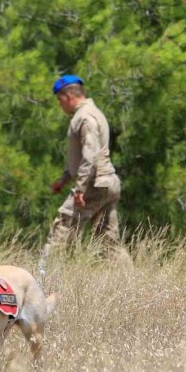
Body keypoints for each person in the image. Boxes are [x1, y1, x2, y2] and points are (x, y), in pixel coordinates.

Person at [42, 75, 121, 259]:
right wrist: (64, 179)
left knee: (63, 226)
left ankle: (42, 277)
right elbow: (83, 158)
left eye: (60, 100)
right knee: (108, 241)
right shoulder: (93, 113)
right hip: (108, 181)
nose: (60, 106)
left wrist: (80, 190)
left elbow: (90, 155)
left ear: (68, 96)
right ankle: (132, 284)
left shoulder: (85, 117)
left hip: (95, 183)